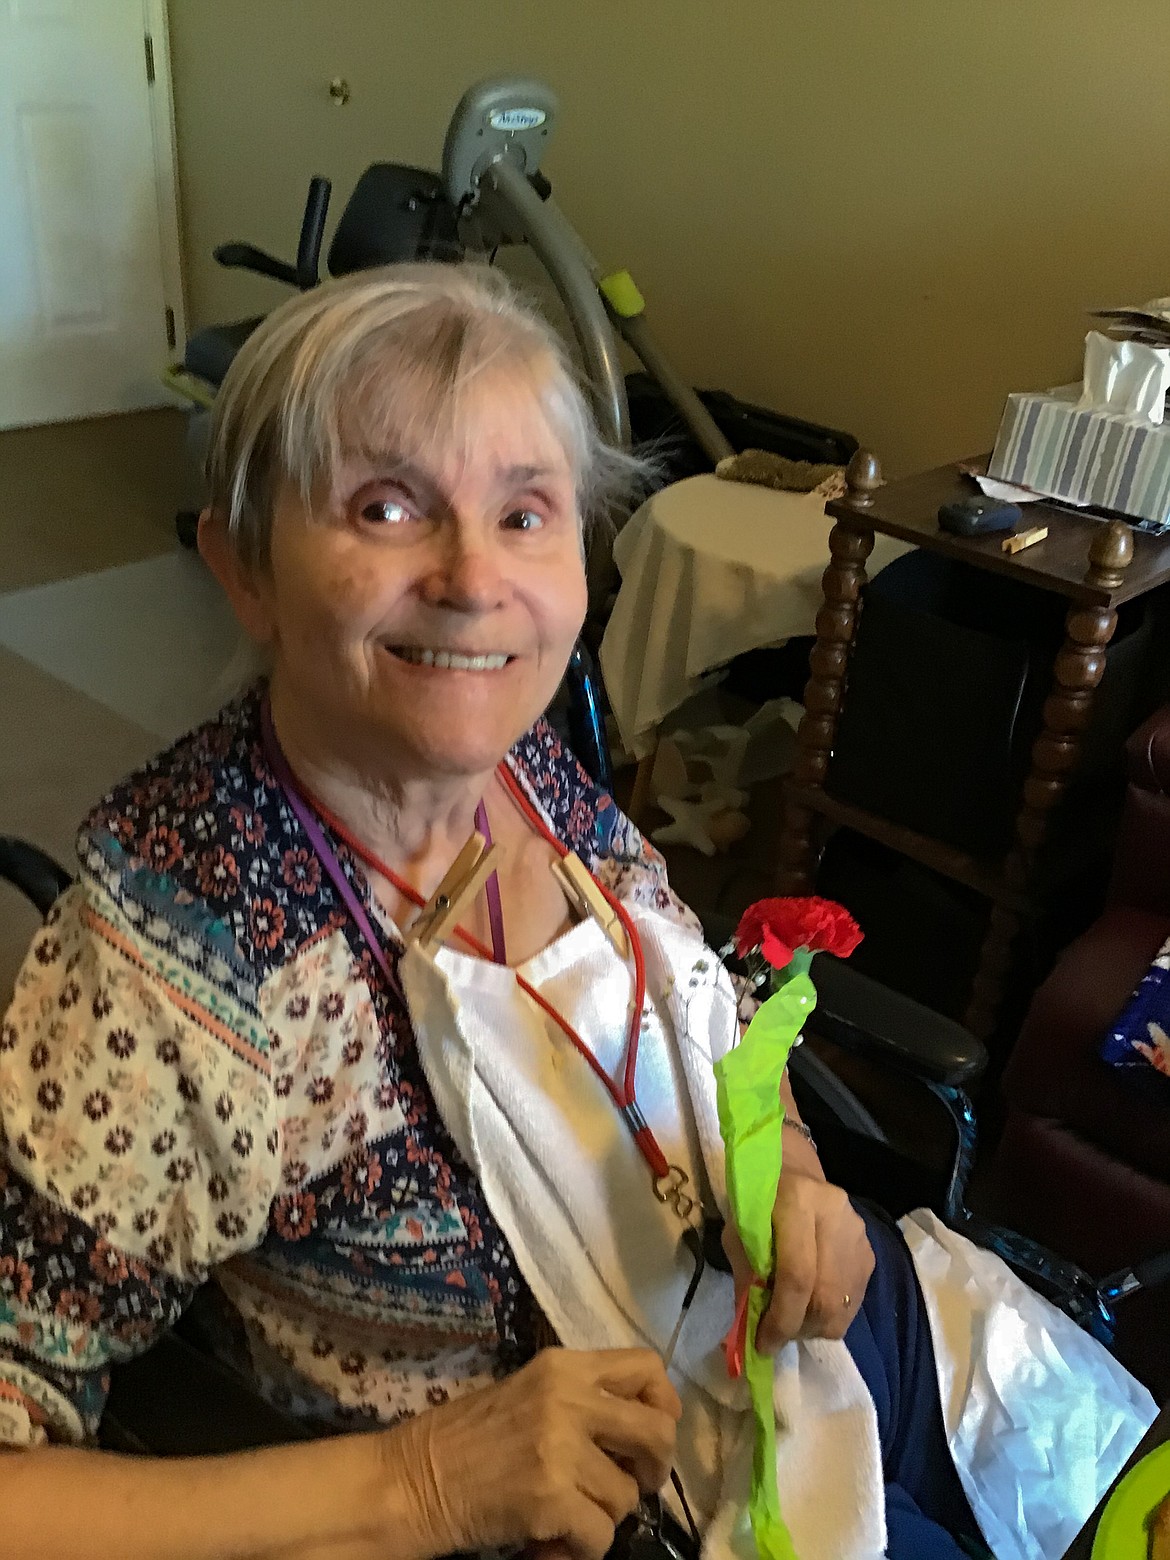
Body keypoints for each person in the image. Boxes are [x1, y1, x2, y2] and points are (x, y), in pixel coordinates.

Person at [0, 263, 1132, 1560]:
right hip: (617, 1513)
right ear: (243, 569)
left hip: (797, 1336)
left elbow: (702, 1021)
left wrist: (792, 1175)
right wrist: (421, 1485)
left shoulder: (529, 769)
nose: (474, 579)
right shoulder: (172, 967)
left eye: (524, 511)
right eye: (384, 507)